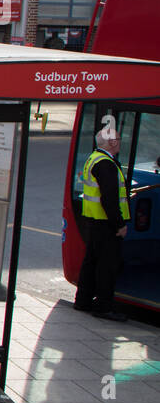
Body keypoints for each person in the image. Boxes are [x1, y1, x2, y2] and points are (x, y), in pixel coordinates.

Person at [73, 123, 131, 321]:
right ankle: (103, 306)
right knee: (107, 265)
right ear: (112, 142)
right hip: (106, 224)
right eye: (119, 139)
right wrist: (120, 225)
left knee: (91, 262)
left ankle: (83, 300)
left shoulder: (94, 158)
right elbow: (109, 199)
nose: (120, 143)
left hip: (94, 221)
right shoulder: (106, 164)